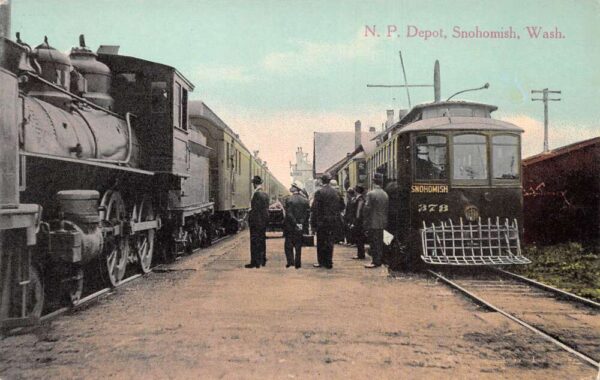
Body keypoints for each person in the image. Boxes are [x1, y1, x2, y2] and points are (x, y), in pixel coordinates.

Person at [310, 173, 343, 269]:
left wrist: (313, 224)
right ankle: (329, 262)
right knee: (330, 241)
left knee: (321, 242)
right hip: (333, 221)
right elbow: (342, 206)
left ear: (322, 181)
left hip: (322, 222)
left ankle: (321, 262)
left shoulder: (319, 193)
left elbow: (315, 209)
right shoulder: (336, 192)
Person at [362, 173, 389, 268]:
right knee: (380, 242)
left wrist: (365, 222)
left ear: (373, 182)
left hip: (373, 222)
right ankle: (379, 260)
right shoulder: (385, 194)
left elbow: (367, 209)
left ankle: (375, 262)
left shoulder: (371, 194)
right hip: (383, 222)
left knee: (373, 242)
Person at [283, 183, 310, 269]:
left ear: (296, 188)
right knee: (298, 244)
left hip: (290, 225)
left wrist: (295, 223)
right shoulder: (305, 200)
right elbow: (307, 214)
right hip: (300, 226)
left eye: (292, 186)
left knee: (288, 244)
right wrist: (300, 223)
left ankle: (290, 262)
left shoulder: (289, 199)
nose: (290, 188)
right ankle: (298, 263)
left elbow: (289, 213)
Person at [246, 175, 270, 268]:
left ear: (254, 184)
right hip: (263, 221)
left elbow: (255, 209)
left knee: (254, 242)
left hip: (256, 221)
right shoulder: (265, 193)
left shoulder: (256, 194)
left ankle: (255, 262)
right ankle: (262, 260)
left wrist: (250, 212)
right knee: (262, 240)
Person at [351, 185, 367, 260]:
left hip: (359, 222)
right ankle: (360, 253)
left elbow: (358, 211)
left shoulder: (360, 199)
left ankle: (360, 254)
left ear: (357, 191)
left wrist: (355, 221)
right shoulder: (361, 198)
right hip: (360, 221)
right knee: (359, 237)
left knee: (359, 237)